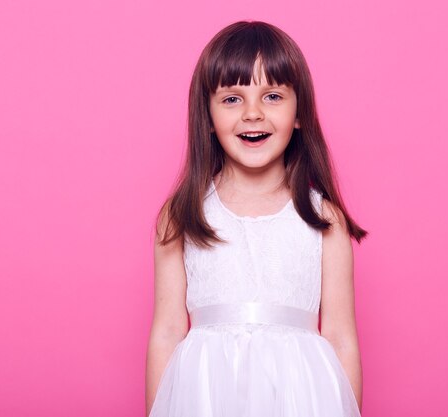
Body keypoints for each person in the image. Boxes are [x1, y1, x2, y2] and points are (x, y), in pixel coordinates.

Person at [145, 20, 368, 417]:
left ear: (300, 113)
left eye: (273, 96)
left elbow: (340, 336)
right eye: (232, 99)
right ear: (208, 117)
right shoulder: (182, 215)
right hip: (206, 399)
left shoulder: (323, 219)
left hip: (302, 400)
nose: (252, 114)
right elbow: (166, 331)